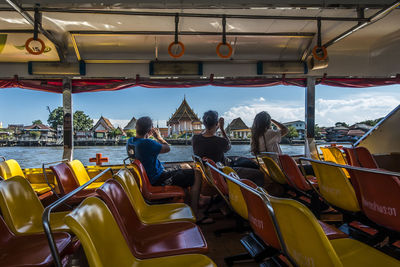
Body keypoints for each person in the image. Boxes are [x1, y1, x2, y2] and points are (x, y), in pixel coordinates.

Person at [126, 116, 202, 218]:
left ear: (136, 128)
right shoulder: (147, 143)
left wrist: (148, 135)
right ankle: (196, 213)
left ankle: (191, 201)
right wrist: (159, 137)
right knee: (197, 173)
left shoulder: (130, 141)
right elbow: (167, 148)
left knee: (186, 166)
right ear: (149, 131)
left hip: (151, 176)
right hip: (158, 180)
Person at [192, 110, 265, 187]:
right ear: (216, 124)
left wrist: (215, 127)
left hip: (208, 175)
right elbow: (229, 146)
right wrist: (222, 129)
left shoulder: (195, 139)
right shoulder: (220, 141)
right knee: (259, 174)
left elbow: (206, 136)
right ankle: (254, 197)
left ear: (204, 123)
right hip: (223, 174)